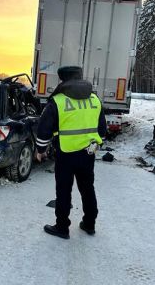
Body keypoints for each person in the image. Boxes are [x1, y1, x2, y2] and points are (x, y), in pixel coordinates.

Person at [35, 66, 106, 239]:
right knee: (87, 188)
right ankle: (89, 224)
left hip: (66, 153)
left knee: (64, 190)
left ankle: (62, 227)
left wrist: (40, 150)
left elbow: (44, 130)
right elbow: (102, 130)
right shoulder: (95, 100)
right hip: (88, 153)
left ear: (63, 80)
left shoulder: (58, 101)